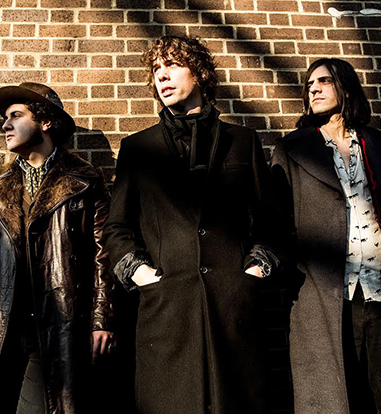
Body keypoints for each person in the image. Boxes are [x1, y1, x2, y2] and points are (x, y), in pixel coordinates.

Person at [103, 36, 283, 414]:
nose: (162, 76)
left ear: (199, 73)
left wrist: (254, 272)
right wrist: (142, 275)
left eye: (172, 65)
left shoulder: (243, 142)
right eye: (156, 69)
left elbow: (270, 221)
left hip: (233, 312)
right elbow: (117, 228)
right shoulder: (137, 149)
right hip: (167, 311)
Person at [0, 82, 115, 414]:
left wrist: (101, 319)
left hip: (57, 327)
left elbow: (102, 255)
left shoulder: (84, 181)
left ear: (46, 121)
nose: (5, 125)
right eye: (5, 118)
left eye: (16, 116)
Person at [271, 58, 381, 413]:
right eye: (309, 85)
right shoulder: (292, 149)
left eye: (324, 81)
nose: (314, 89)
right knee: (340, 400)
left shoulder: (377, 145)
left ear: (346, 87)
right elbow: (276, 220)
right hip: (327, 298)